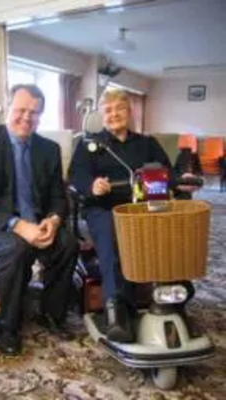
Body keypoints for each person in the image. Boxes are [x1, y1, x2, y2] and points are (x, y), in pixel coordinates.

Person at [68, 88, 198, 344]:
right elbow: (76, 176)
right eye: (108, 110)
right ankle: (118, 309)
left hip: (144, 207)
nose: (114, 114)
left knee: (171, 232)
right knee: (112, 234)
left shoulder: (147, 143)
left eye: (120, 108)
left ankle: (175, 297)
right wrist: (92, 184)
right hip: (104, 207)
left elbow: (166, 173)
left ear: (130, 112)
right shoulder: (89, 144)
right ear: (102, 115)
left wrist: (180, 181)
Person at [0, 84, 78, 356]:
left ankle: (51, 314)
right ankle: (7, 327)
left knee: (68, 244)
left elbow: (58, 198)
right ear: (6, 108)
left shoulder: (48, 149)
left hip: (37, 222)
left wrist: (54, 220)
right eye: (21, 110)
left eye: (34, 113)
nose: (27, 118)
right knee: (17, 248)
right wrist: (18, 225)